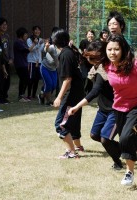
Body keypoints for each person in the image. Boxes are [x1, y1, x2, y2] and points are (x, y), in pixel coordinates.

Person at [89, 34, 137, 186]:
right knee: (127, 137)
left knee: (125, 138)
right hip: (119, 107)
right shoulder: (106, 65)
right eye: (109, 49)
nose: (112, 53)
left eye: (116, 49)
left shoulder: (135, 65)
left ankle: (129, 172)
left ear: (123, 49)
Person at [68, 40, 122, 169]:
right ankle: (130, 147)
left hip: (116, 109)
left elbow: (94, 91)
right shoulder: (96, 67)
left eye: (90, 57)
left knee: (106, 139)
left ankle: (118, 162)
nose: (88, 59)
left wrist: (77, 106)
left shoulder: (104, 70)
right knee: (95, 135)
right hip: (103, 109)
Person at [53, 30, 85, 159]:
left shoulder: (65, 54)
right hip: (78, 92)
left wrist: (59, 97)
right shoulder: (70, 51)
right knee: (74, 122)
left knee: (61, 124)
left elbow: (67, 79)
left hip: (71, 94)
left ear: (56, 41)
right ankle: (78, 147)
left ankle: (71, 152)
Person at [38, 27, 61, 106]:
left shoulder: (62, 48)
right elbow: (45, 50)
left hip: (53, 69)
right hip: (45, 67)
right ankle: (49, 101)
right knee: (49, 84)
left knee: (54, 86)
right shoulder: (52, 47)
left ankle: (41, 96)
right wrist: (46, 46)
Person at [0, 17, 13, 104]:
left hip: (7, 61)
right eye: (3, 24)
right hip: (0, 62)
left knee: (7, 81)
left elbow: (10, 48)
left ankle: (4, 97)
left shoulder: (7, 36)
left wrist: (11, 58)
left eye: (6, 24)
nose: (4, 26)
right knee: (1, 80)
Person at [13, 27, 30, 102]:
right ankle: (21, 96)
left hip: (24, 64)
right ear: (21, 35)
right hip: (20, 64)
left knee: (25, 79)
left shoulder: (22, 42)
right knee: (24, 79)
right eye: (25, 34)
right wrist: (34, 43)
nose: (26, 36)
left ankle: (22, 95)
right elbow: (27, 50)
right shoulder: (18, 42)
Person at [27, 25, 43, 100]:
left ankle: (33, 95)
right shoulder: (29, 40)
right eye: (35, 30)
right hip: (31, 61)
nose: (37, 31)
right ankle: (29, 95)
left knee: (36, 79)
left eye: (39, 30)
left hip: (39, 61)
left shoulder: (40, 40)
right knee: (31, 79)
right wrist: (38, 44)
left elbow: (42, 50)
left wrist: (45, 45)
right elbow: (31, 49)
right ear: (33, 31)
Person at [79, 30, 95, 94]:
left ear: (93, 35)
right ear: (86, 35)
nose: (90, 35)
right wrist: (84, 54)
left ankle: (89, 91)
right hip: (84, 62)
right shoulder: (83, 41)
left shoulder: (95, 43)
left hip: (92, 62)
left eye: (92, 34)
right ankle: (81, 91)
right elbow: (80, 50)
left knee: (90, 77)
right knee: (84, 76)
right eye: (89, 34)